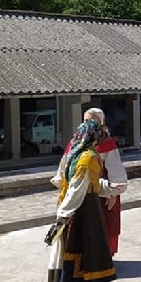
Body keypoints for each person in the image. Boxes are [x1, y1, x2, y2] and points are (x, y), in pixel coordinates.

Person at [48, 120, 118, 282]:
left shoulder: (75, 153)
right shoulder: (87, 157)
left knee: (76, 244)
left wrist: (109, 187)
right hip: (85, 208)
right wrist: (64, 213)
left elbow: (87, 182)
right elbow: (78, 187)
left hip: (82, 202)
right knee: (86, 244)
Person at [52, 108, 128, 257]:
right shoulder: (75, 142)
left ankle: (101, 259)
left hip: (100, 192)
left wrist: (112, 194)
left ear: (100, 122)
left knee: (102, 225)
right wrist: (62, 188)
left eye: (91, 121)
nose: (87, 124)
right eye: (85, 121)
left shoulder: (106, 143)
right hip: (76, 190)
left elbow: (115, 171)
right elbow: (65, 165)